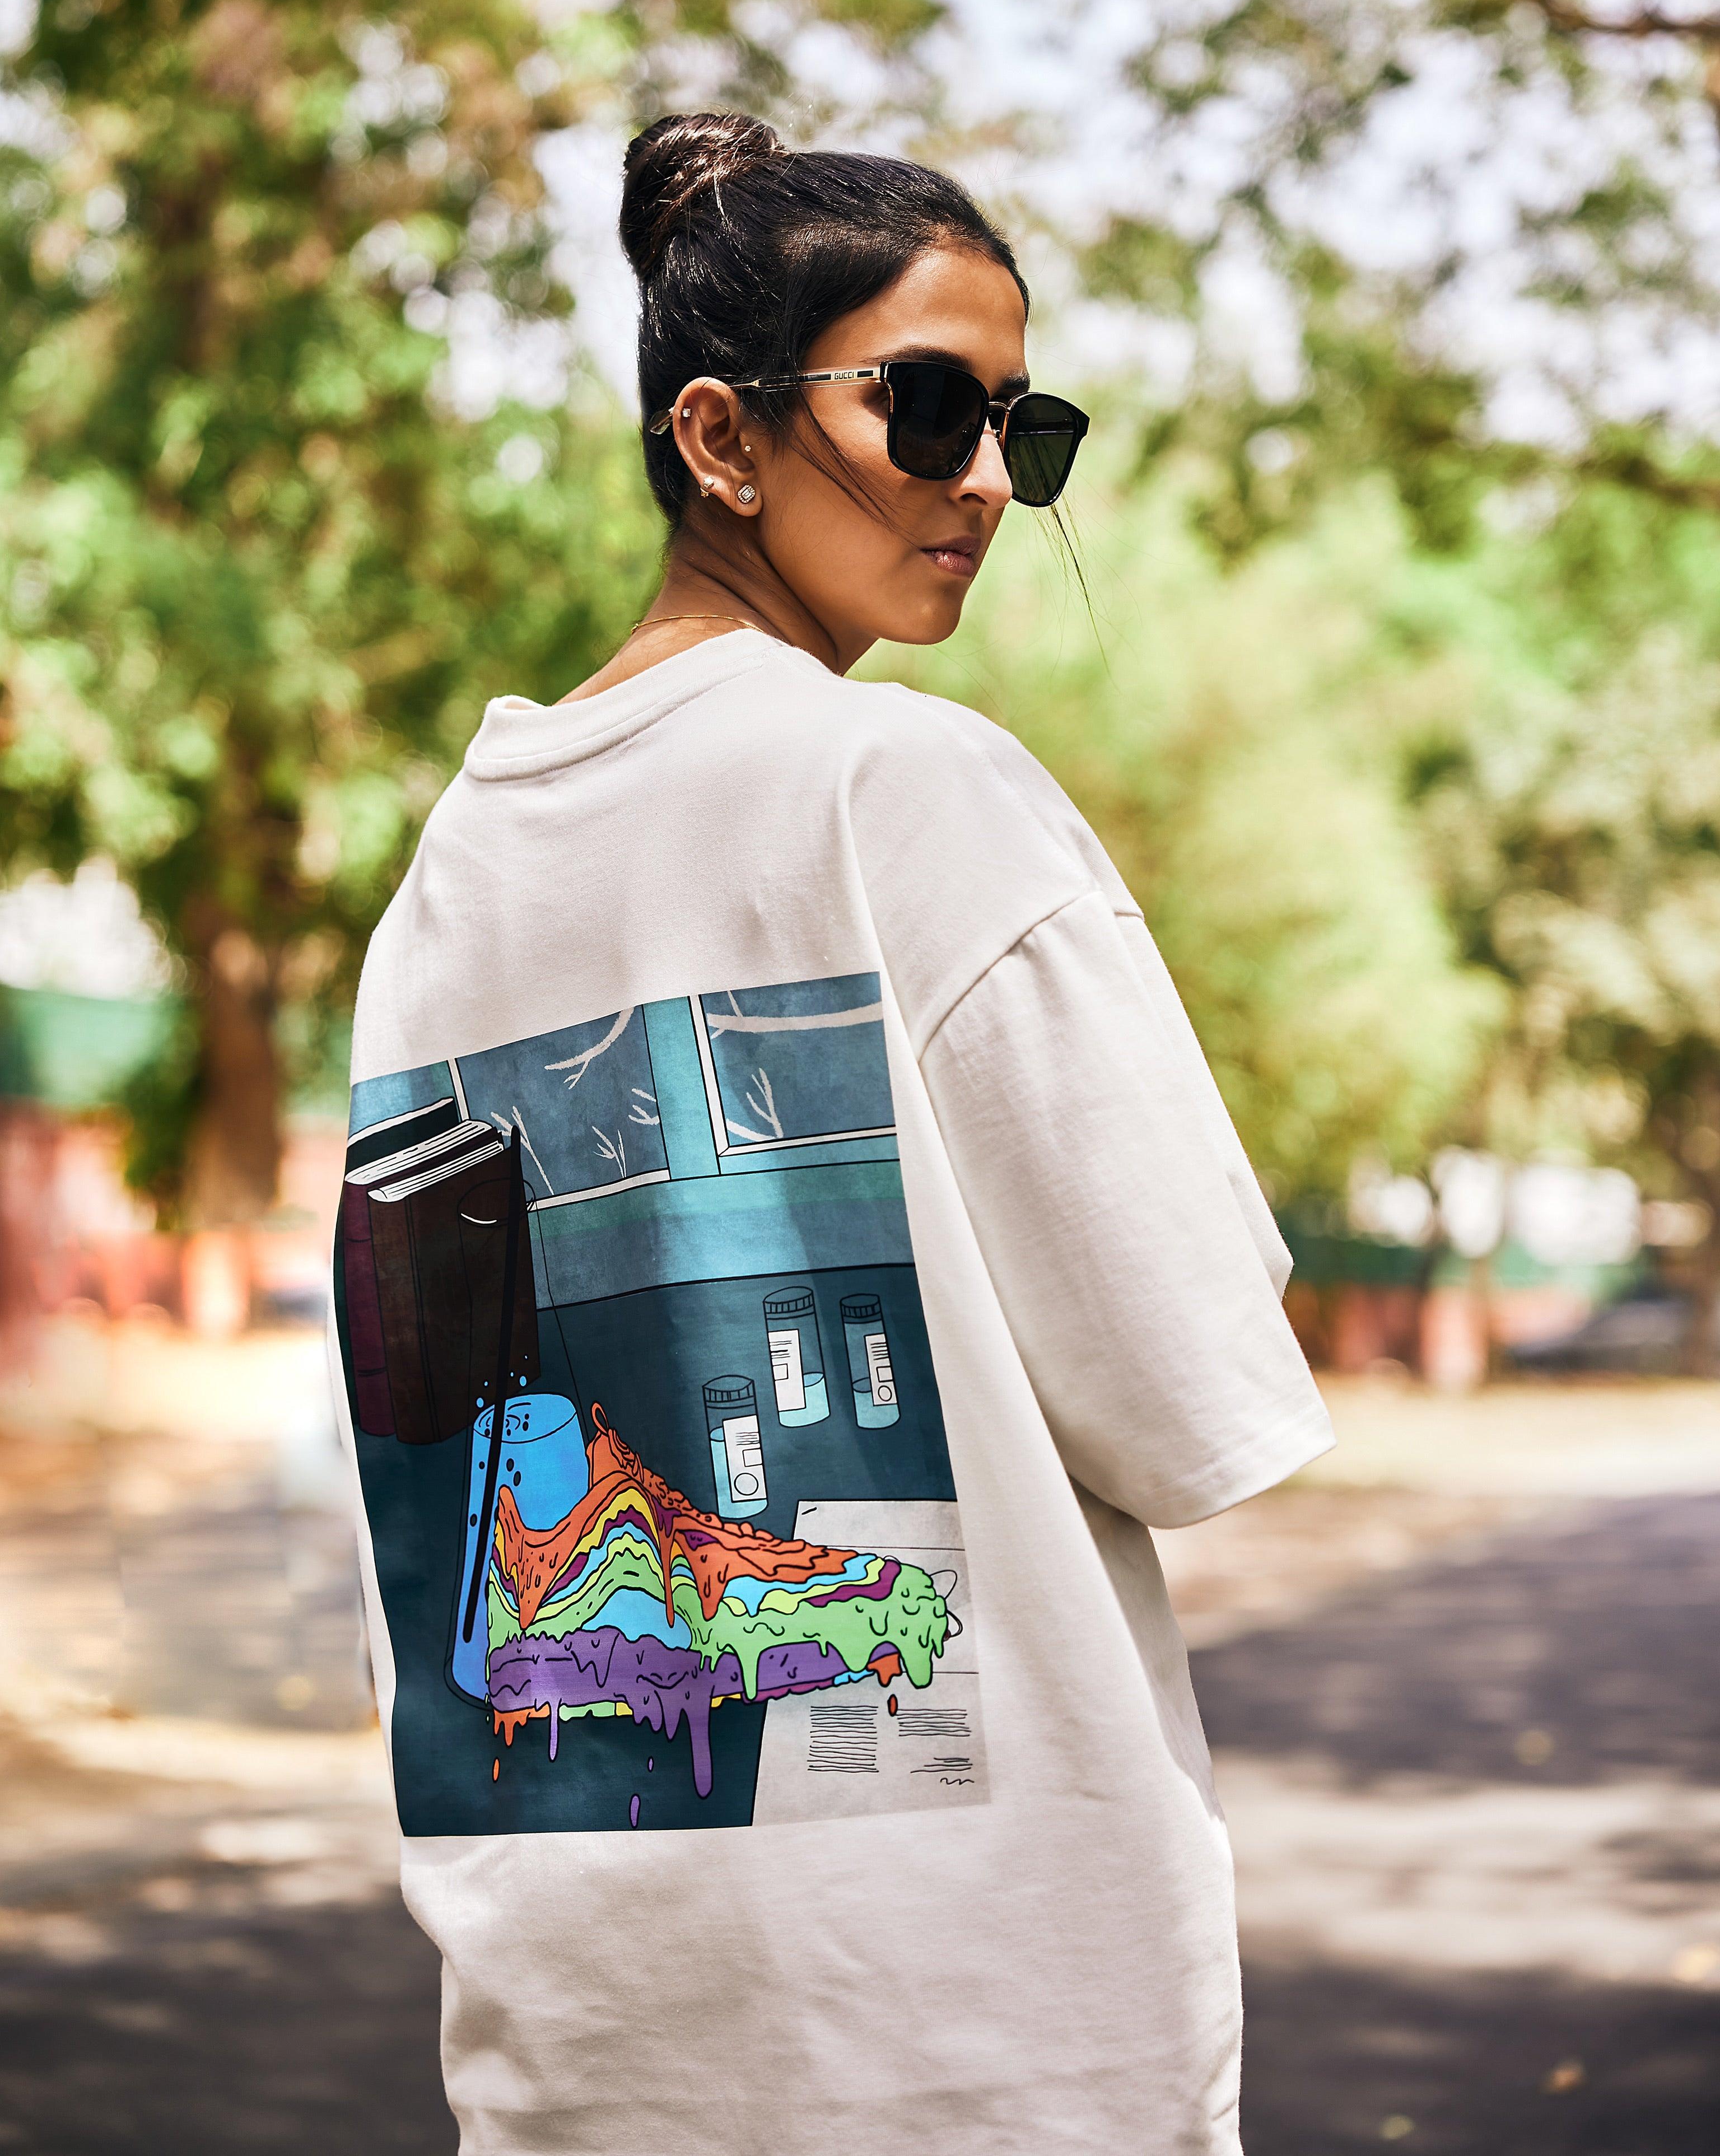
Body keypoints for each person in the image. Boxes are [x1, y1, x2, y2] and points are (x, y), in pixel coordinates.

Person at [333, 110, 1333, 2156]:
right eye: (931, 406)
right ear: (721, 438)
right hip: (970, 2044)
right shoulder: (910, 792)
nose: (987, 481)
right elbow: (1188, 1401)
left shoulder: (444, 887)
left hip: (579, 2040)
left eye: (1024, 428)